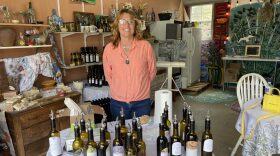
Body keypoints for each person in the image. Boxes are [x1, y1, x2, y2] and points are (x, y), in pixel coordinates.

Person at [103, 8, 157, 120]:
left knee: (142, 134)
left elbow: (152, 72)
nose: (126, 25)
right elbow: (108, 76)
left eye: (131, 21)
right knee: (121, 135)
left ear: (135, 25)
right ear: (117, 25)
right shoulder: (109, 49)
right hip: (118, 104)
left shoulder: (145, 47)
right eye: (122, 21)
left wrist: (140, 87)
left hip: (141, 103)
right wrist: (120, 91)